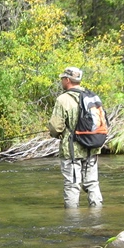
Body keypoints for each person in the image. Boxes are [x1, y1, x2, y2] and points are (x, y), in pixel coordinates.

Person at [47, 66, 103, 208]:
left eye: (62, 79)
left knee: (72, 184)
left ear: (67, 80)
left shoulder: (63, 99)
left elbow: (55, 127)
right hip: (92, 146)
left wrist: (54, 133)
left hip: (72, 149)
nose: (61, 82)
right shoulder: (91, 96)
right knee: (92, 183)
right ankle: (97, 216)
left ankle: (72, 222)